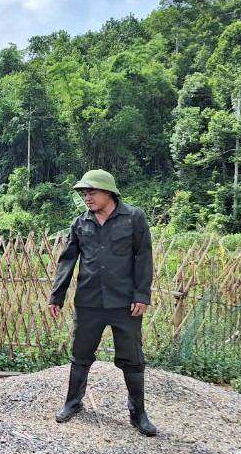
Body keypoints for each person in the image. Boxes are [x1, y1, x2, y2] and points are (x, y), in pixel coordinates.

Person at [46, 169, 158, 437]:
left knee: (132, 359)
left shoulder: (133, 218)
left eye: (91, 192)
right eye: (84, 193)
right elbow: (67, 261)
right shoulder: (80, 223)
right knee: (80, 355)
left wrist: (142, 295)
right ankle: (73, 403)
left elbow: (143, 257)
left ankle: (138, 414)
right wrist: (56, 296)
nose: (87, 197)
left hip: (125, 304)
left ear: (109, 192)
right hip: (89, 302)